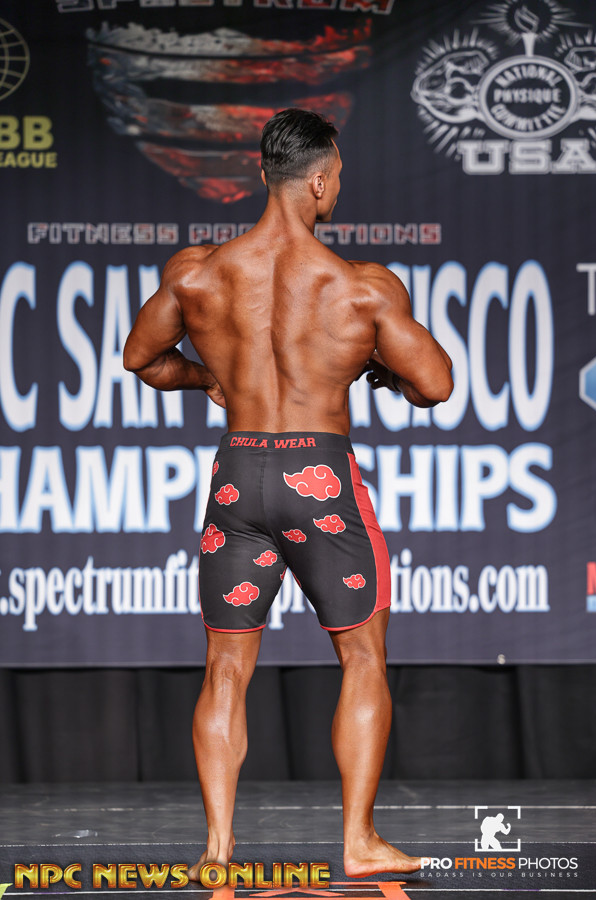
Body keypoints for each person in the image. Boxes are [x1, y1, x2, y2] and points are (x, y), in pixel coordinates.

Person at [123, 108, 453, 878]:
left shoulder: (197, 273)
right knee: (362, 656)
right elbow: (436, 383)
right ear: (319, 182)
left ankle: (216, 848)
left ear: (261, 173)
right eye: (337, 177)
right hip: (321, 480)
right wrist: (380, 370)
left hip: (238, 477)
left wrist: (208, 376)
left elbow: (141, 358)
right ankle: (358, 843)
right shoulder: (361, 288)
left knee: (225, 667)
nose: (337, 187)